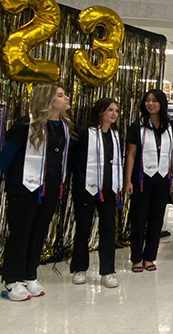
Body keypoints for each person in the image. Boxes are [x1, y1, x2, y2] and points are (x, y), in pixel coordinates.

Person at [0, 84, 76, 301]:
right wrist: (16, 181)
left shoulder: (64, 126)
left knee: (38, 234)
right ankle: (12, 281)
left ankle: (29, 275)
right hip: (24, 190)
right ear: (48, 100)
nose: (66, 98)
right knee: (20, 235)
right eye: (61, 96)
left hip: (50, 189)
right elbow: (6, 157)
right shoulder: (26, 124)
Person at [70, 98, 122, 289]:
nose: (114, 114)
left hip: (108, 189)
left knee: (108, 229)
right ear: (100, 112)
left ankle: (108, 271)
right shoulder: (84, 132)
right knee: (83, 228)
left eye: (116, 110)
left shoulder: (116, 136)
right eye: (110, 110)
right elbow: (73, 158)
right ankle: (79, 268)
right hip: (86, 188)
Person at [124, 89, 173, 273]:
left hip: (162, 178)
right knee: (139, 219)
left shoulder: (170, 126)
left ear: (162, 103)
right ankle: (136, 258)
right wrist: (128, 180)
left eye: (155, 100)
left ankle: (150, 257)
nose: (151, 104)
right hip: (141, 179)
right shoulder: (136, 126)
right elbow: (130, 155)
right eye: (148, 100)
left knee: (156, 219)